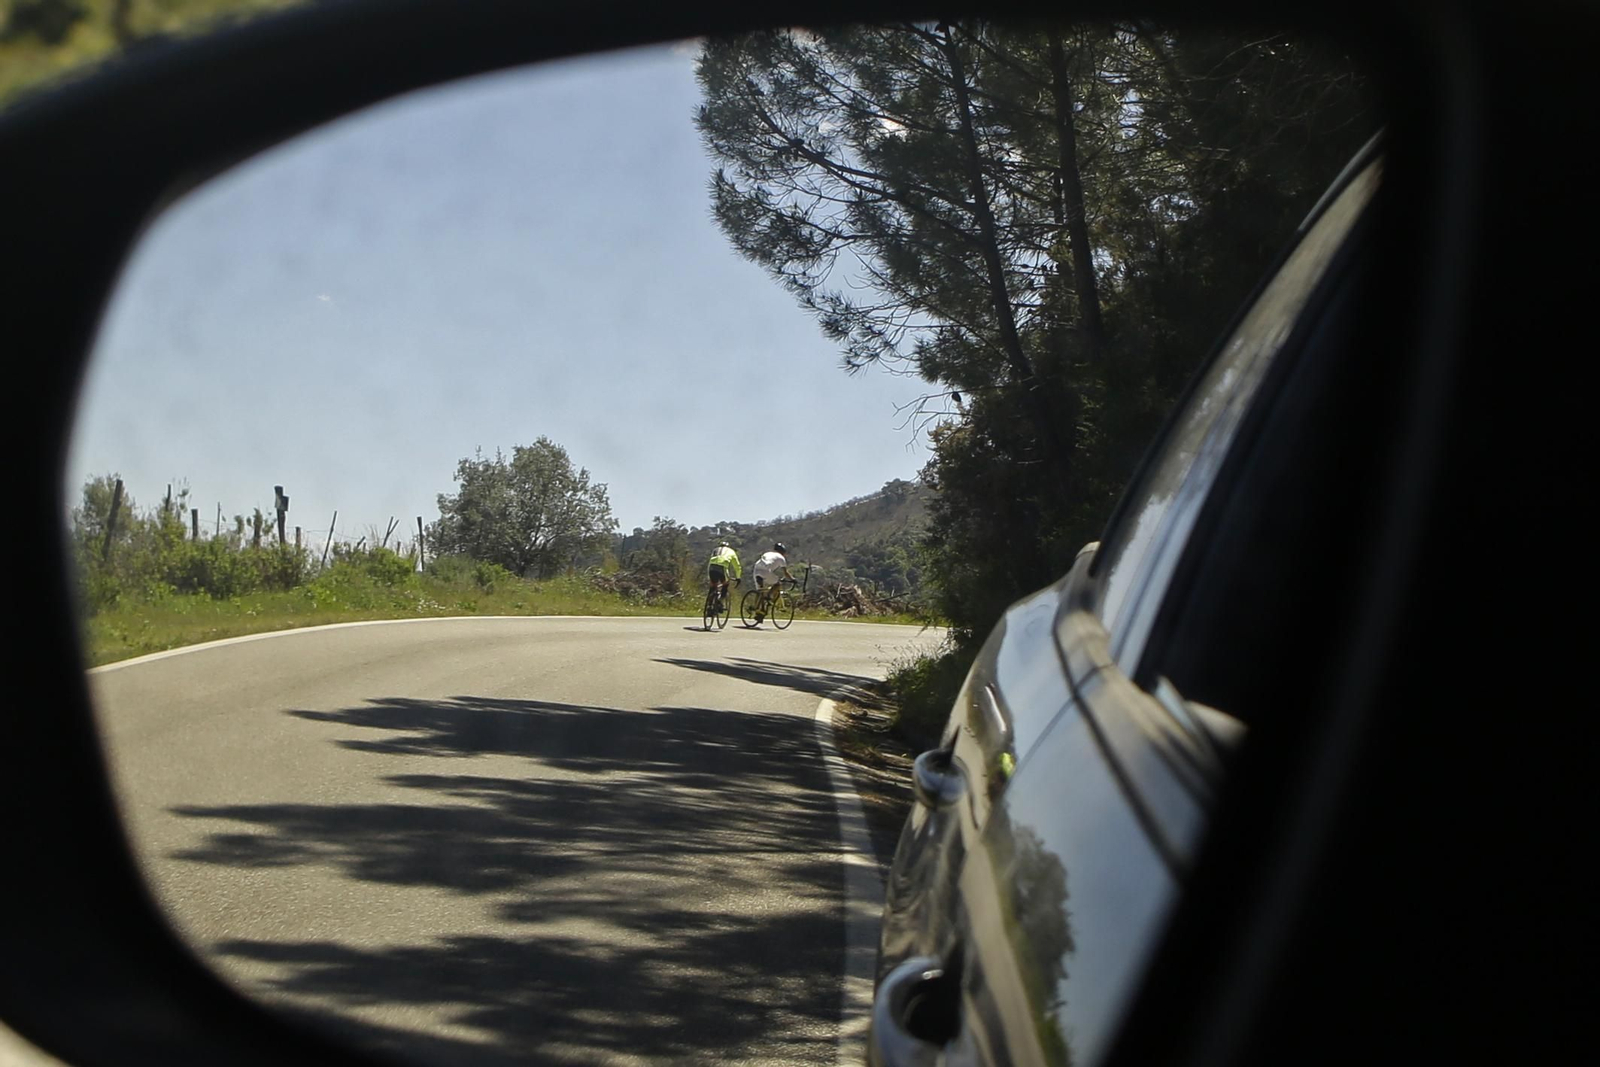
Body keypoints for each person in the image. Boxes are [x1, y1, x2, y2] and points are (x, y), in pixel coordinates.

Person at [752, 542, 793, 621]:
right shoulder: (781, 557)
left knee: (761, 591)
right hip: (766, 571)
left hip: (756, 570)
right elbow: (785, 572)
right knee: (777, 584)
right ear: (783, 552)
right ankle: (768, 596)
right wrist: (793, 579)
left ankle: (759, 610)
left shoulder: (768, 553)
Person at [708, 540, 741, 609]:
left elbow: (710, 561)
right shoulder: (731, 551)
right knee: (726, 583)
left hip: (712, 567)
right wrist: (738, 577)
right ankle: (720, 602)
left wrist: (709, 576)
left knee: (713, 585)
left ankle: (709, 604)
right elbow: (737, 566)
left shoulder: (715, 550)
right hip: (722, 567)